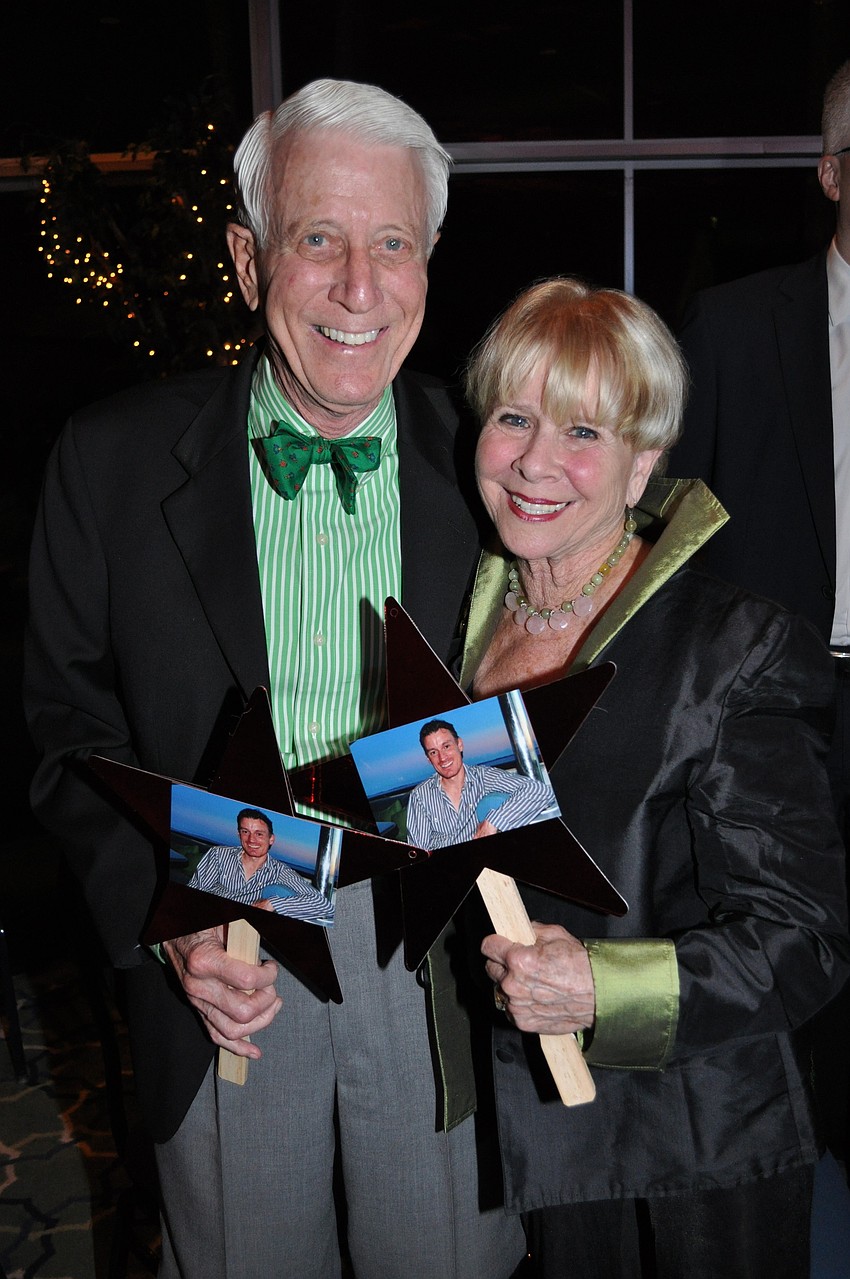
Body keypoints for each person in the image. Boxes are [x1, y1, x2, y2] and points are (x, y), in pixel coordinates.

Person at [24, 80, 525, 1279]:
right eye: (318, 239)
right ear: (249, 263)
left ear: (430, 258)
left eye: (392, 242)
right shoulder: (106, 464)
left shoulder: (499, 467)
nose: (360, 287)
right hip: (224, 942)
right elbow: (63, 732)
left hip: (438, 949)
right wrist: (172, 912)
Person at [453, 276, 850, 1277]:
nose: (537, 461)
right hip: (513, 1135)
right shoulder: (460, 611)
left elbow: (803, 937)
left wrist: (605, 987)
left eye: (584, 433)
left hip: (684, 1157)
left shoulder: (732, 647)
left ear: (644, 464)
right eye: (514, 416)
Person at [671, 58, 850, 1159]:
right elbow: (676, 531)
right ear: (833, 173)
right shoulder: (734, 326)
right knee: (785, 953)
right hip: (779, 707)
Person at [406, 717, 553, 849]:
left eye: (446, 746)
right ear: (428, 759)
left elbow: (540, 791)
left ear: (460, 744)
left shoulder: (483, 777)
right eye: (433, 752)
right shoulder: (420, 796)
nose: (442, 758)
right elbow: (417, 852)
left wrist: (494, 821)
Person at [187, 808, 332, 922]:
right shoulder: (218, 855)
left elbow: (323, 904)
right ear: (239, 835)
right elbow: (193, 893)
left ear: (271, 839)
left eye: (259, 834)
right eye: (245, 832)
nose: (251, 840)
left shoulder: (279, 871)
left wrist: (272, 904)